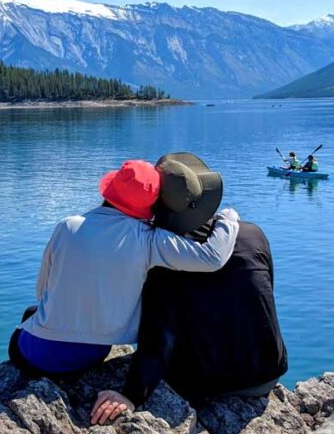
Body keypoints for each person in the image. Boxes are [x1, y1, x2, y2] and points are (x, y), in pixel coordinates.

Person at [9, 157, 240, 378]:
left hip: (36, 355)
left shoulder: (67, 226)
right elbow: (212, 257)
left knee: (31, 313)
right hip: (92, 355)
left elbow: (42, 293)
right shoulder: (149, 239)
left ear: (111, 190)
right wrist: (227, 220)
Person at [90, 175, 287, 426]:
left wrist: (131, 394)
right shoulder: (253, 234)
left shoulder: (163, 261)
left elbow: (159, 338)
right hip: (267, 373)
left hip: (209, 384)